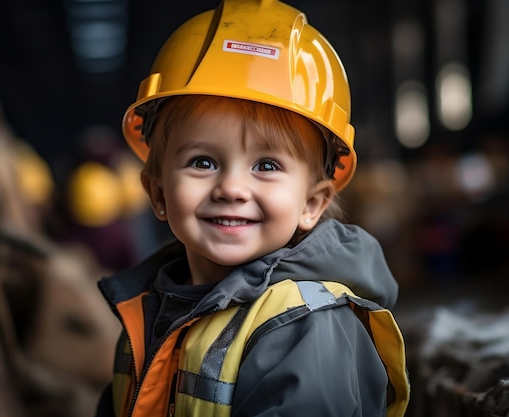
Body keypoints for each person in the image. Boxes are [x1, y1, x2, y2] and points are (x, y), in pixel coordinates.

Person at [96, 0, 410, 416]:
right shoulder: (151, 312)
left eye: (267, 165)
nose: (231, 188)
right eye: (203, 162)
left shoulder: (304, 329)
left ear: (312, 204)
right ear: (157, 192)